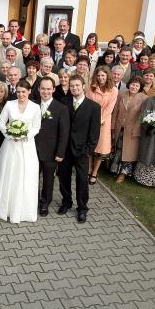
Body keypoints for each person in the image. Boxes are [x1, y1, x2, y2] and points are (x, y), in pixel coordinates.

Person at [0, 79, 41, 223]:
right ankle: (1, 207)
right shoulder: (9, 105)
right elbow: (1, 123)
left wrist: (24, 135)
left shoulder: (35, 107)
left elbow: (36, 127)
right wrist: (11, 135)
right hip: (10, 145)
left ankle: (22, 210)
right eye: (19, 91)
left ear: (29, 91)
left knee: (24, 176)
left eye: (24, 92)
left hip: (27, 146)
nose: (21, 94)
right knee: (7, 173)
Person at [57, 75, 101, 222]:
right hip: (65, 149)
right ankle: (66, 202)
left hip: (82, 150)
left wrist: (87, 150)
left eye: (77, 85)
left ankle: (82, 208)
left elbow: (94, 133)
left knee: (82, 180)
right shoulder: (64, 102)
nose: (74, 88)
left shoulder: (94, 107)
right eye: (72, 86)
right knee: (64, 177)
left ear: (83, 86)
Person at [35, 77, 70, 216]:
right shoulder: (32, 104)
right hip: (32, 150)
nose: (45, 91)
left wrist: (60, 153)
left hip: (51, 151)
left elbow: (64, 133)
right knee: (32, 178)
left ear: (54, 90)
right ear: (38, 89)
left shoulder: (61, 108)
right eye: (43, 88)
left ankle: (45, 203)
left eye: (49, 89)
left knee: (48, 180)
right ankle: (33, 201)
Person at [108, 76, 146, 183]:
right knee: (118, 149)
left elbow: (142, 116)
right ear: (129, 84)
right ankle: (115, 170)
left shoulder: (144, 98)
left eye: (137, 85)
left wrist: (137, 129)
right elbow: (115, 110)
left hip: (132, 129)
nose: (134, 87)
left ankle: (123, 174)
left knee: (128, 152)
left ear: (140, 87)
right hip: (119, 127)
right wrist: (113, 125)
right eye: (133, 84)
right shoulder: (122, 94)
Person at [85, 65, 118, 183]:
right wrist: (93, 120)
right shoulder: (91, 88)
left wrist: (100, 120)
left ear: (107, 76)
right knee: (90, 148)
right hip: (90, 120)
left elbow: (110, 108)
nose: (100, 78)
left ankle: (94, 172)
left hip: (104, 122)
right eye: (98, 75)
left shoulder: (114, 90)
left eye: (103, 75)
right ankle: (88, 169)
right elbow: (87, 104)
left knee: (100, 149)